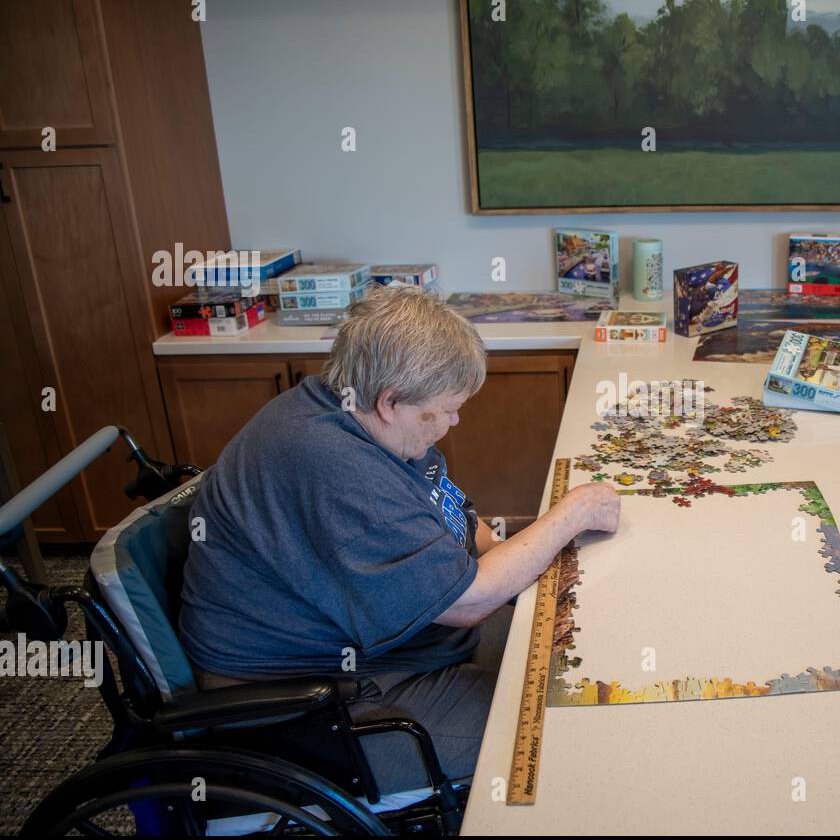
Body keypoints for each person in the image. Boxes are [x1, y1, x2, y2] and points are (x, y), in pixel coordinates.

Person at [178, 285, 620, 785]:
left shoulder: (352, 412)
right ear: (390, 401)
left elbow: (451, 512)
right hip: (310, 702)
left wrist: (510, 556)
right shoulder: (339, 468)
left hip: (372, 651)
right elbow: (467, 603)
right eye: (448, 408)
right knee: (568, 730)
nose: (453, 423)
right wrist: (571, 514)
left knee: (567, 642)